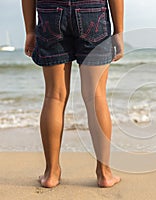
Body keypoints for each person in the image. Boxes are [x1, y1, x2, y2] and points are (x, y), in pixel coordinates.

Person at [22, 0, 124, 188]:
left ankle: (51, 174)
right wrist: (119, 30)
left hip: (50, 11)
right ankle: (104, 173)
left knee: (54, 96)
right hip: (92, 11)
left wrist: (29, 30)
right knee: (96, 97)